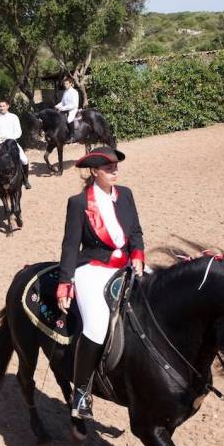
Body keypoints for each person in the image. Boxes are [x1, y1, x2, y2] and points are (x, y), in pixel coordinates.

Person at [56, 146, 145, 420]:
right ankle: (81, 392)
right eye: (108, 168)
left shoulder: (126, 194)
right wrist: (65, 283)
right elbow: (70, 246)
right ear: (95, 171)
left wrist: (139, 256)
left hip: (127, 265)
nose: (114, 171)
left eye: (116, 166)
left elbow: (136, 232)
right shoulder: (79, 203)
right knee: (95, 325)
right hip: (93, 269)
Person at [0, 99, 31, 192]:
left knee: (25, 160)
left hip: (11, 142)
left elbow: (18, 132)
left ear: (8, 106)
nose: (1, 108)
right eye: (0, 106)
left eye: (3, 106)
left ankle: (26, 180)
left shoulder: (14, 117)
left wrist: (8, 137)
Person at [55, 76, 80, 143]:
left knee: (69, 120)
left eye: (66, 84)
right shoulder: (65, 92)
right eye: (64, 84)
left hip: (73, 109)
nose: (65, 85)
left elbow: (73, 105)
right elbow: (63, 102)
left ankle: (72, 136)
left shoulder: (74, 92)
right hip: (65, 109)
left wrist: (63, 108)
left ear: (71, 84)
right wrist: (57, 106)